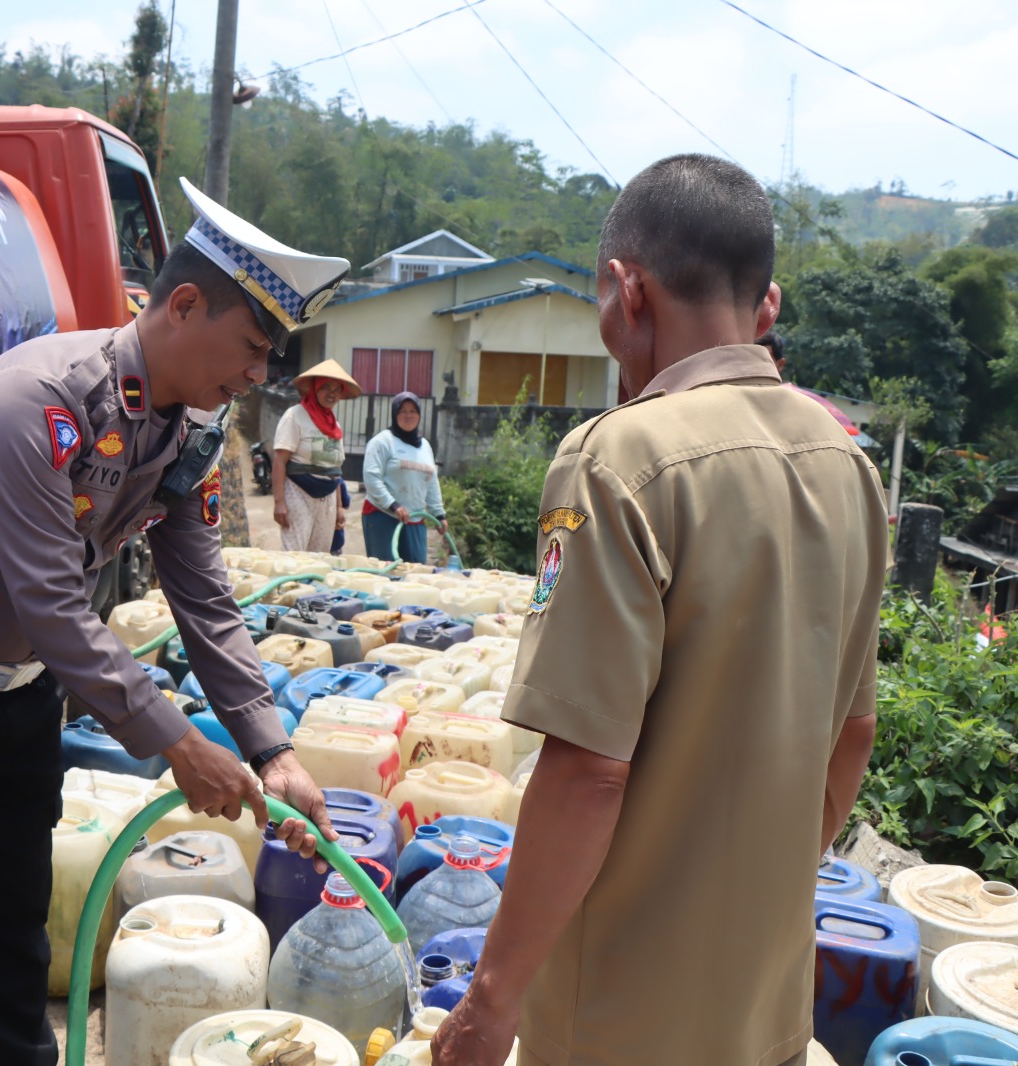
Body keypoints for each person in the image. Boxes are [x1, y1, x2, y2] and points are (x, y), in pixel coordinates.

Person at [0, 175, 348, 1066]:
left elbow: (205, 600)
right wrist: (179, 743)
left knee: (11, 946)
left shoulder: (189, 434)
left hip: (24, 705)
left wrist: (274, 750)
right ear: (185, 304)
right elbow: (53, 604)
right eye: (253, 345)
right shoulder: (36, 402)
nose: (260, 374)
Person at [431, 154, 887, 1066]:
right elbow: (852, 737)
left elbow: (589, 772)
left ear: (625, 289)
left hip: (618, 1014)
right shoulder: (850, 467)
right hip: (766, 1005)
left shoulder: (616, 460)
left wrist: (492, 1000)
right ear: (768, 304)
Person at [272, 359, 359, 552]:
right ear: (314, 388)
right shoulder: (294, 416)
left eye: (337, 389)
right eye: (326, 387)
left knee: (319, 557)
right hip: (298, 492)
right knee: (294, 554)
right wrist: (279, 503)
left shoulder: (335, 425)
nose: (332, 393)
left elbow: (334, 470)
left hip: (328, 497)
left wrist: (338, 508)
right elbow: (280, 460)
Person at [361, 391, 447, 563]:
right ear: (394, 414)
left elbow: (431, 482)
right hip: (383, 516)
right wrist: (393, 505)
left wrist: (439, 514)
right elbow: (371, 478)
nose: (408, 415)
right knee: (386, 574)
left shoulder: (425, 447)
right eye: (403, 411)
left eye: (413, 411)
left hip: (415, 519)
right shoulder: (382, 442)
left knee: (414, 574)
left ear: (420, 415)